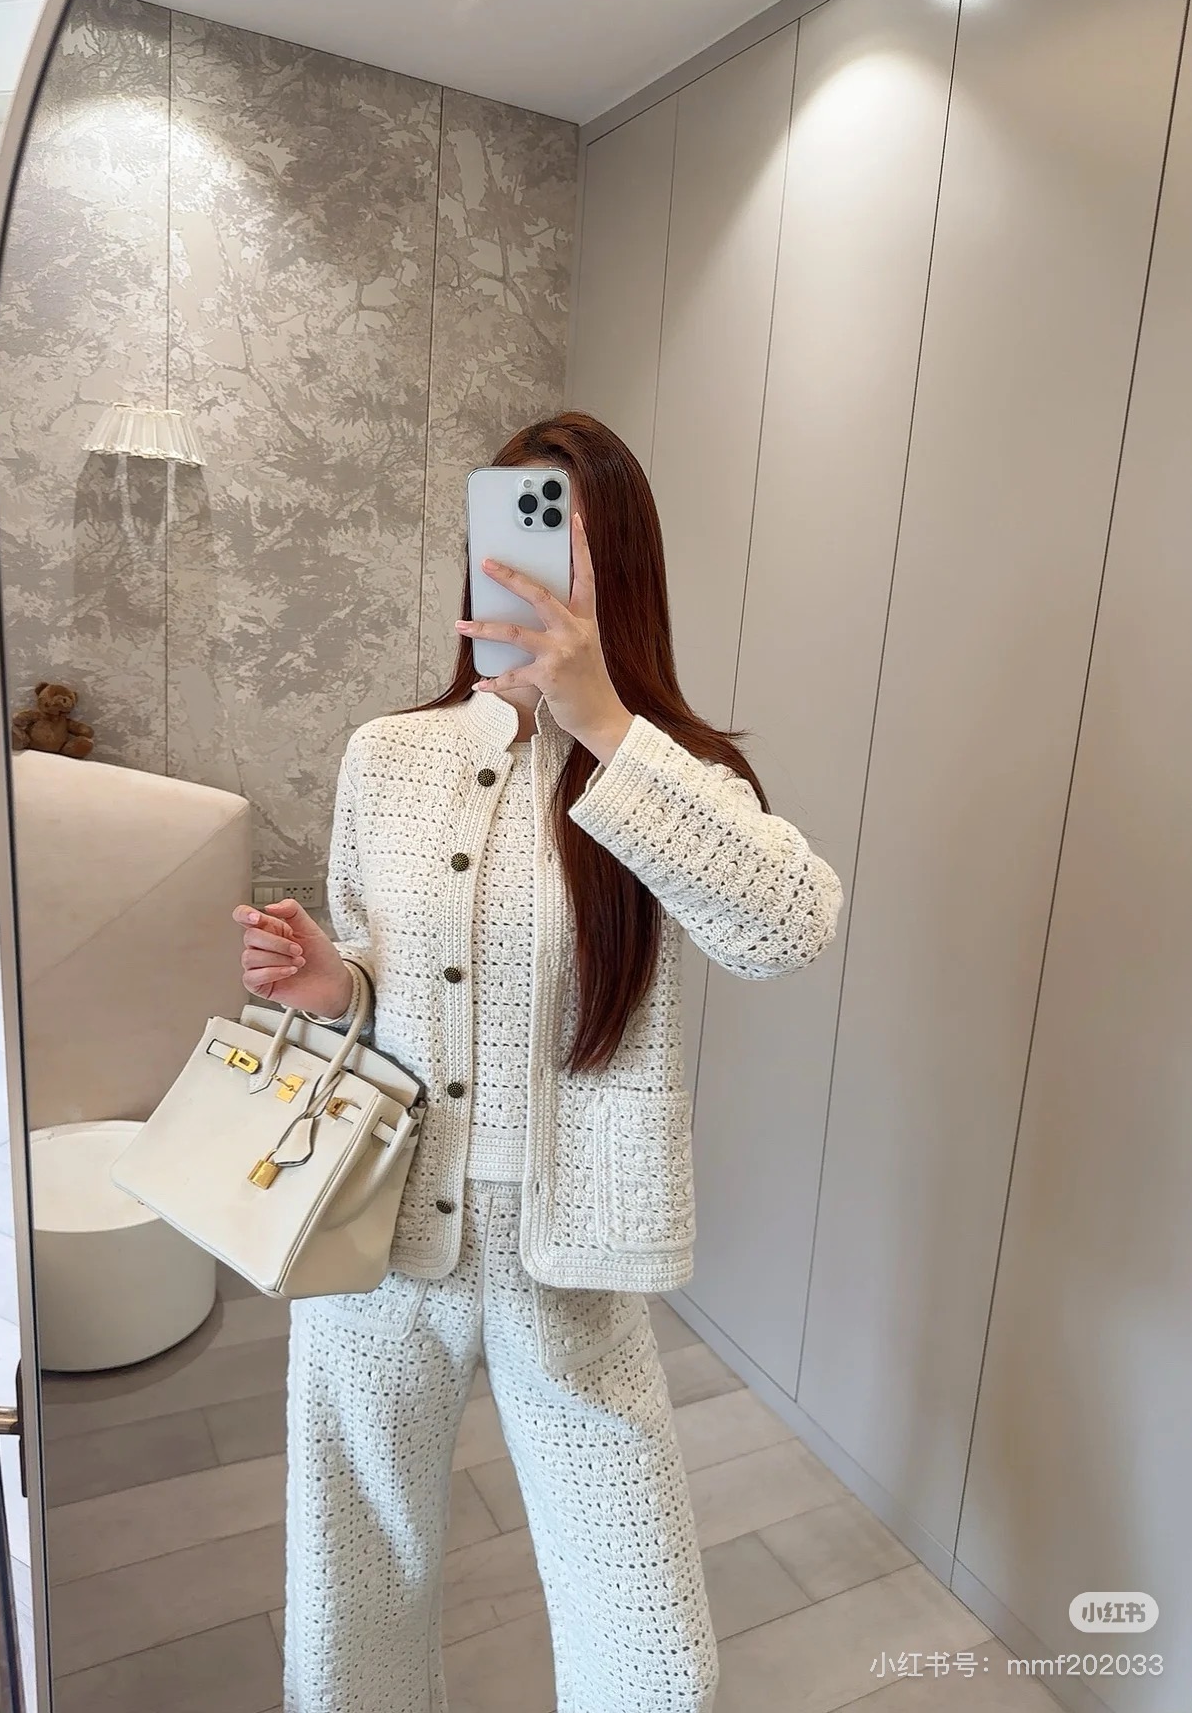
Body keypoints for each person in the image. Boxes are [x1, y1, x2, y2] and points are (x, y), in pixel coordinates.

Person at [232, 411, 844, 1713]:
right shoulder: (386, 756)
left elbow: (788, 929)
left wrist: (603, 718)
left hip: (572, 1251)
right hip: (376, 1230)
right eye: (504, 531)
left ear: (617, 568)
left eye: (558, 541)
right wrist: (332, 982)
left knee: (645, 1630)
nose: (522, 567)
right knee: (354, 1577)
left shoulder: (672, 773)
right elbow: (374, 967)